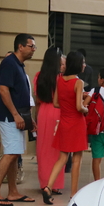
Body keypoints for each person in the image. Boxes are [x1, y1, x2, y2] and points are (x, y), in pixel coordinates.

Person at [0, 34, 36, 206]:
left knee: (15, 154)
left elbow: (21, 94)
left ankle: (13, 192)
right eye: (31, 46)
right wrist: (15, 115)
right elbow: (3, 91)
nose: (33, 49)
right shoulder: (9, 63)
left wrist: (28, 119)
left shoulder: (19, 65)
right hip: (9, 117)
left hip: (19, 117)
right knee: (10, 153)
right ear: (20, 47)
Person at [42, 51, 88, 204]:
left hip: (64, 122)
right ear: (77, 64)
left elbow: (55, 103)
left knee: (62, 158)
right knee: (77, 160)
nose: (84, 65)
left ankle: (48, 186)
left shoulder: (59, 80)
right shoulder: (78, 82)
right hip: (76, 123)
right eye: (83, 62)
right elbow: (79, 107)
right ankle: (73, 194)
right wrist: (85, 108)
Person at [34, 47, 65, 195]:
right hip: (58, 112)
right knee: (57, 150)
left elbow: (37, 100)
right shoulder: (60, 78)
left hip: (43, 113)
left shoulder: (38, 76)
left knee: (42, 149)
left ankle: (44, 182)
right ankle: (55, 184)